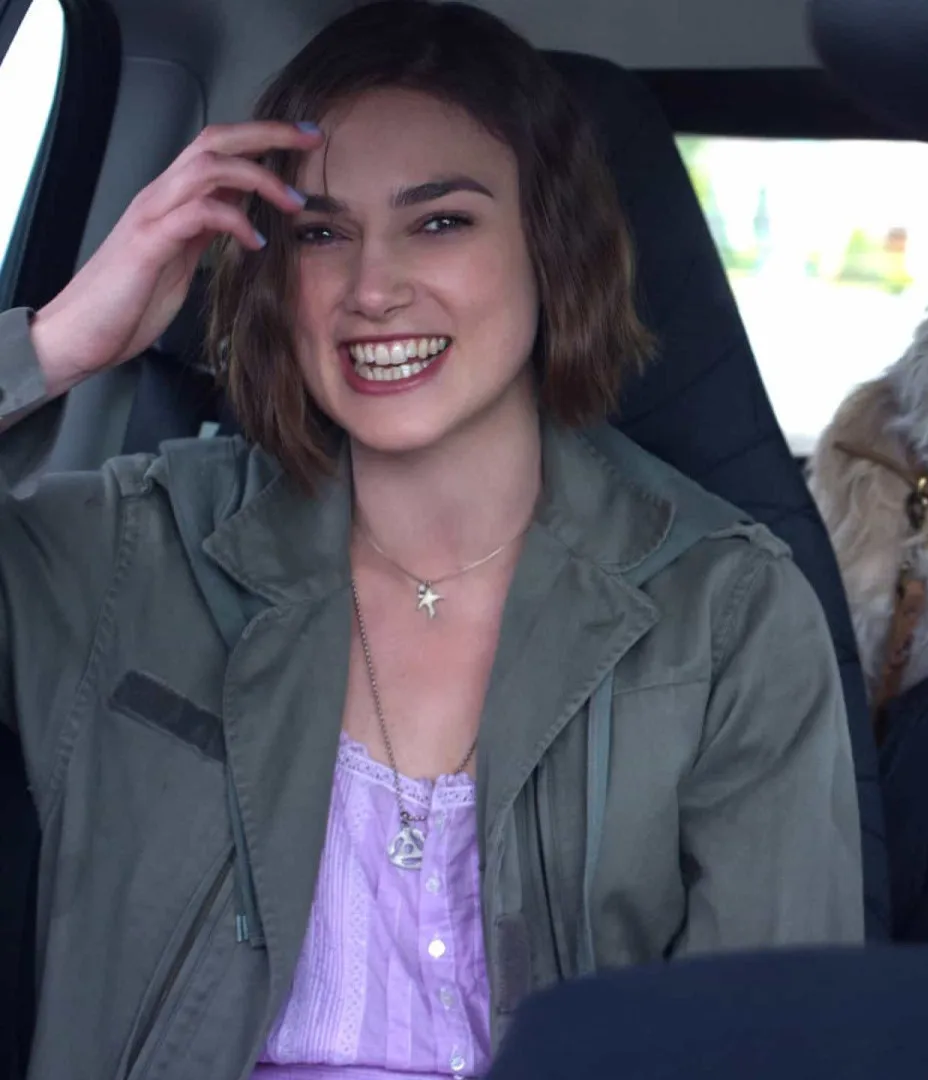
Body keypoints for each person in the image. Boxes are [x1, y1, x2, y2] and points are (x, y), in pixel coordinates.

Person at [0, 2, 863, 1077]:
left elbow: (771, 1039)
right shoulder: (138, 548)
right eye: (322, 234)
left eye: (441, 221)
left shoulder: (725, 616)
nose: (373, 289)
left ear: (553, 247)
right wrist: (57, 344)